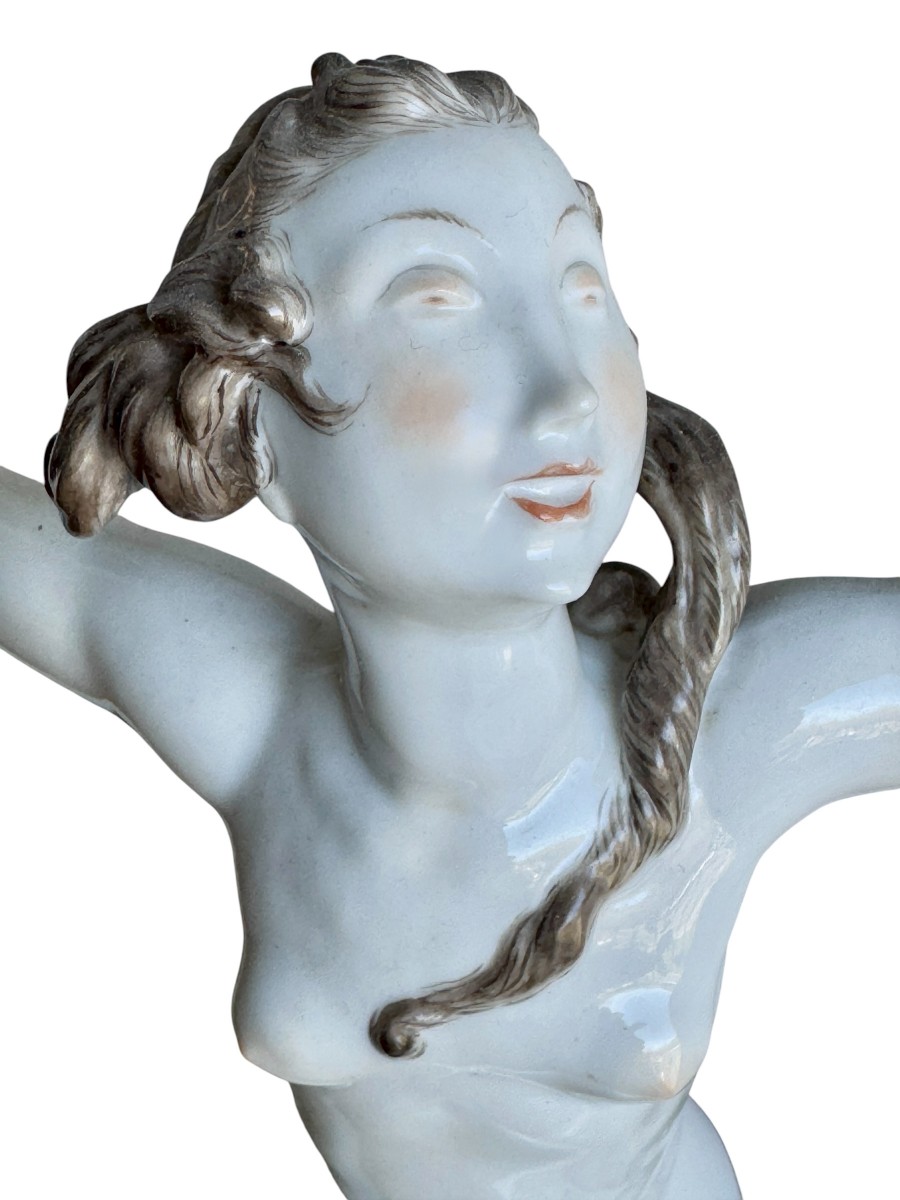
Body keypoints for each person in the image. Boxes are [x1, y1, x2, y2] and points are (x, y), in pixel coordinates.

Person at [1, 52, 897, 1200]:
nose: (569, 392)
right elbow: (50, 578)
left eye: (583, 289)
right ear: (251, 422)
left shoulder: (737, 722)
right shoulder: (258, 720)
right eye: (441, 302)